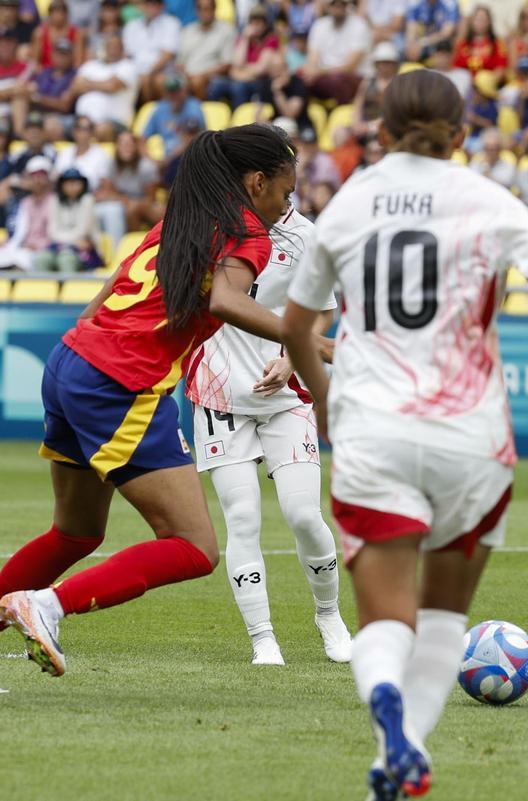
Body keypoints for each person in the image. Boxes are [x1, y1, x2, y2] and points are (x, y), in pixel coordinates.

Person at [278, 69, 528, 800]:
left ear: (378, 133)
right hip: (470, 439)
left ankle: (390, 726)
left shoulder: (349, 203)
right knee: (443, 617)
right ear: (463, 135)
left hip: (373, 429)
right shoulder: (488, 198)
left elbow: (295, 325)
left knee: (384, 617)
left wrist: (322, 398)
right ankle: (402, 751)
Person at [0, 124, 335, 678]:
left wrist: (91, 358)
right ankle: (46, 605)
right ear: (256, 182)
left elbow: (102, 299)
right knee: (193, 546)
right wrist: (310, 342)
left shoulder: (181, 218)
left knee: (77, 531)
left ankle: (29, 602)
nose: (286, 205)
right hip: (119, 381)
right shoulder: (247, 232)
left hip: (71, 360)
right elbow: (227, 301)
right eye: (285, 191)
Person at [184, 202, 353, 667]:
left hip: (287, 393)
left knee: (303, 514)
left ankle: (329, 615)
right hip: (219, 394)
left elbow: (322, 312)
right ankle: (263, 639)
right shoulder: (211, 225)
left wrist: (293, 359)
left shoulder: (305, 235)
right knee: (242, 519)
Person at [207, 5, 279, 108]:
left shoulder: (271, 40)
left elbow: (260, 70)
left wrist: (241, 72)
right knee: (216, 84)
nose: (256, 26)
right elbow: (236, 64)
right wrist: (245, 39)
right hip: (242, 79)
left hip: (261, 83)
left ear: (265, 24)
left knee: (238, 87)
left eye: (259, 23)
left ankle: (240, 121)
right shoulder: (243, 39)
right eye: (253, 22)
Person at [302, 0, 370, 106]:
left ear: (347, 5)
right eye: (334, 4)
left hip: (352, 77)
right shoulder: (319, 25)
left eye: (341, 4)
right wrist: (310, 72)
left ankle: (342, 112)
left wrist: (319, 72)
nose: (337, 8)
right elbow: (312, 58)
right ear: (328, 6)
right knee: (299, 78)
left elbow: (350, 67)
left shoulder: (359, 25)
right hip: (324, 76)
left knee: (337, 79)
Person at [34, 166, 100, 273]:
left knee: (66, 259)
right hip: (61, 247)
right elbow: (52, 232)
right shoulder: (55, 200)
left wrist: (65, 241)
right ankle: (45, 290)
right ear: (62, 185)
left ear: (83, 184)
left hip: (86, 250)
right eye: (68, 182)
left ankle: (72, 289)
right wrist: (71, 243)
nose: (72, 186)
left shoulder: (88, 200)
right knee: (42, 258)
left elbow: (82, 232)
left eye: (76, 182)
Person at [71, 33, 137, 141]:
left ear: (123, 49)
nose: (112, 50)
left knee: (101, 130)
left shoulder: (128, 66)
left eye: (116, 46)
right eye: (109, 46)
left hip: (114, 122)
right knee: (52, 125)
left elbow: (112, 86)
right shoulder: (90, 65)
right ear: (104, 48)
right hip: (81, 121)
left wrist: (87, 83)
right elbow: (76, 87)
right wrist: (103, 84)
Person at [122, 0, 181, 101]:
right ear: (143, 5)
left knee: (159, 81)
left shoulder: (171, 23)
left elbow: (168, 54)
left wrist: (149, 72)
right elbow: (127, 55)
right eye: (149, 3)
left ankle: (154, 111)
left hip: (162, 71)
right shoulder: (131, 26)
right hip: (136, 71)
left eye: (155, 3)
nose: (152, 6)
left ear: (162, 5)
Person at [177, 0, 235, 100]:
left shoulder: (226, 30)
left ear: (214, 9)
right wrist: (187, 75)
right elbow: (180, 62)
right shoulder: (187, 30)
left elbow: (226, 64)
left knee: (197, 82)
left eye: (207, 9)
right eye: (200, 9)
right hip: (187, 76)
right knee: (166, 82)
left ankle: (202, 113)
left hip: (210, 77)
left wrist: (203, 76)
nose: (204, 13)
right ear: (196, 11)